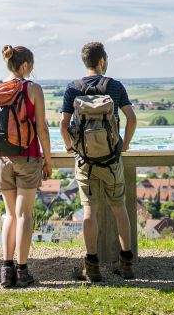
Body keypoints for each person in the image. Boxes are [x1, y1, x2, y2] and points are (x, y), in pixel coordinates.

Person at [59, 42, 137, 281]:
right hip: (111, 161)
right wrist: (122, 146)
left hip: (85, 162)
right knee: (119, 209)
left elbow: (63, 125)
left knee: (89, 211)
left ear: (85, 62)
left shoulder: (73, 88)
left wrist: (71, 146)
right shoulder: (114, 86)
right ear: (102, 60)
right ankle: (126, 264)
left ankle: (92, 266)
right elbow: (131, 119)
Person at [0, 45, 52, 288]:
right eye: (31, 66)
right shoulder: (32, 89)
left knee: (9, 215)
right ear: (24, 66)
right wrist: (48, 159)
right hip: (28, 157)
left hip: (1, 159)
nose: (32, 70)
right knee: (25, 214)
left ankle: (6, 270)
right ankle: (22, 271)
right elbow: (42, 129)